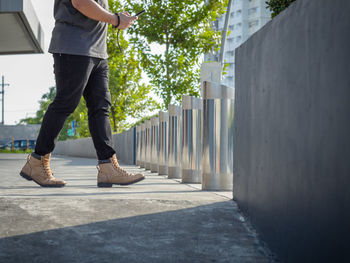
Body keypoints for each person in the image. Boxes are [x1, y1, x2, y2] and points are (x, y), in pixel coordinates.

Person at [20, 0, 145, 188]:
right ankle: (37, 161)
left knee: (101, 107)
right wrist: (115, 19)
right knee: (66, 103)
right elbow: (81, 3)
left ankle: (108, 166)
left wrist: (117, 17)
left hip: (98, 51)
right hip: (74, 46)